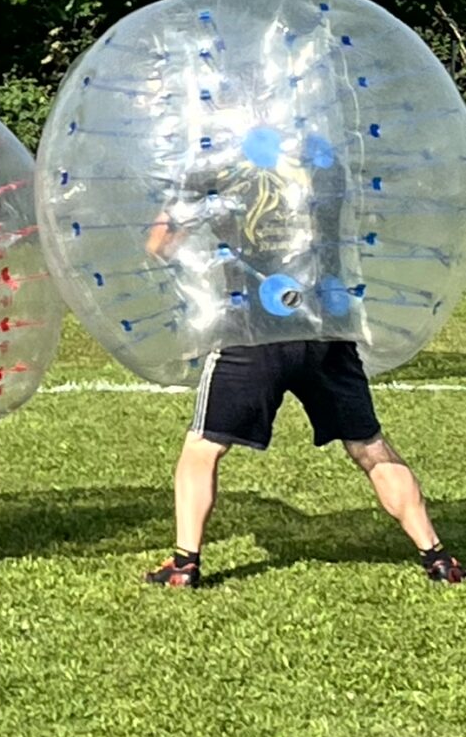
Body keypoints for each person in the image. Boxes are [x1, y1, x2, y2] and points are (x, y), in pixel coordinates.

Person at [142, 124, 461, 587]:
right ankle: (437, 558)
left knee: (202, 449)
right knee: (370, 447)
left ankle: (185, 563)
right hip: (325, 331)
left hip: (248, 333)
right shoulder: (322, 159)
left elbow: (159, 243)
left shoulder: (213, 165)